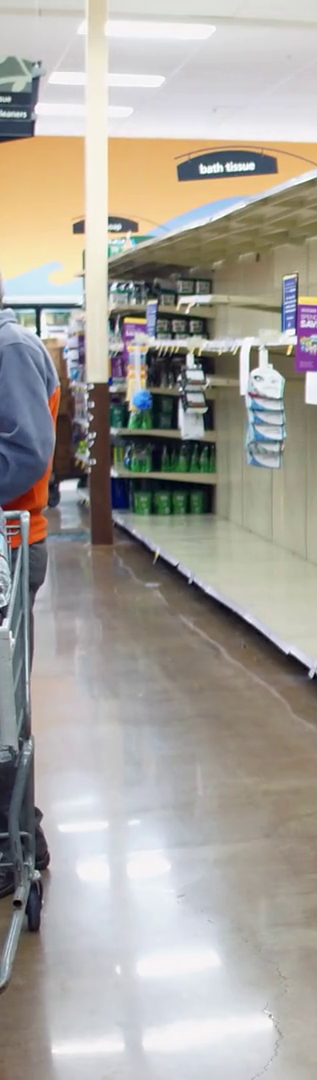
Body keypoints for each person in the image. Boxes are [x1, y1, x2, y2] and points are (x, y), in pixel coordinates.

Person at [0, 272, 59, 882]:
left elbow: (25, 456)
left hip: (12, 548)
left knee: (3, 703)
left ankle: (18, 842)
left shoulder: (10, 349)